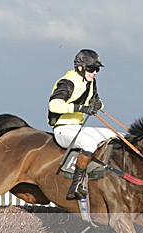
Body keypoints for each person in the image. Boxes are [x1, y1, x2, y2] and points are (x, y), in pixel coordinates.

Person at [48, 49, 114, 200]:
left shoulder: (90, 82)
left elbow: (95, 101)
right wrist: (81, 108)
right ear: (80, 67)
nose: (95, 72)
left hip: (78, 127)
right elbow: (54, 105)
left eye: (97, 69)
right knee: (89, 144)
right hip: (62, 128)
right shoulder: (68, 82)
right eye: (91, 69)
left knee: (114, 135)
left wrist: (98, 105)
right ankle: (75, 185)